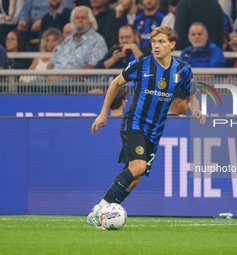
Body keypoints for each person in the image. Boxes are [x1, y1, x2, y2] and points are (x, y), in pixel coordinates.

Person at [87, 26, 206, 229]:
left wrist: (196, 110)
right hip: (134, 123)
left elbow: (191, 96)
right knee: (138, 166)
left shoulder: (183, 70)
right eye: (153, 42)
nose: (156, 46)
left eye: (161, 42)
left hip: (155, 131)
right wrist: (103, 113)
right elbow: (115, 83)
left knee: (135, 179)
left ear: (172, 44)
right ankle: (99, 209)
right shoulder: (142, 64)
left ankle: (106, 211)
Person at [48, 6, 108, 70]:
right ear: (73, 21)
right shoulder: (67, 40)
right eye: (77, 18)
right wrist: (50, 75)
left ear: (90, 21)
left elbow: (95, 66)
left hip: (79, 79)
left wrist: (67, 76)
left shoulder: (97, 40)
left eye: (83, 18)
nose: (80, 20)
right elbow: (52, 62)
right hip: (55, 77)